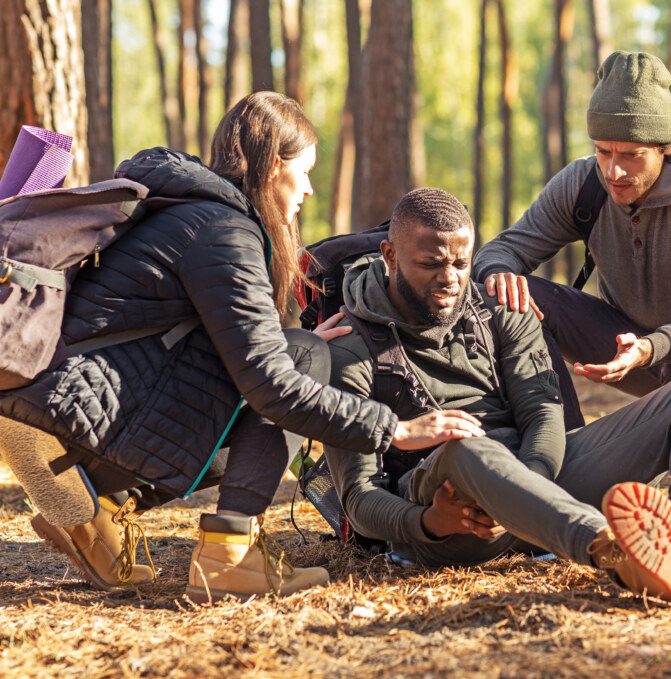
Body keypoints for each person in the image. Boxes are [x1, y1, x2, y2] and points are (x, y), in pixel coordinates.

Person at [0, 93, 473, 602]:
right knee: (306, 363)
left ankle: (103, 505)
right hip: (85, 404)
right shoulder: (224, 230)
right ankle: (228, 553)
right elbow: (270, 385)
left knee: (299, 351)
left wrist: (289, 345)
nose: (310, 190)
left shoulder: (189, 209)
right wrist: (394, 429)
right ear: (273, 166)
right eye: (305, 171)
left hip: (68, 390)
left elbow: (199, 341)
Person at [324, 188, 671, 606]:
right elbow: (359, 497)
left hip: (540, 480)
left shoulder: (499, 308)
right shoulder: (351, 348)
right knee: (465, 444)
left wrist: (527, 485)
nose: (450, 279)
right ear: (389, 254)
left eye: (461, 264)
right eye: (431, 264)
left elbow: (544, 413)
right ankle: (613, 550)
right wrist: (426, 524)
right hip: (453, 515)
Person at [473, 51, 671, 527]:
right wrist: (498, 273)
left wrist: (652, 348)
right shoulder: (583, 183)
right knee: (514, 294)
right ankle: (563, 452)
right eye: (603, 151)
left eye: (631, 155)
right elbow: (502, 249)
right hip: (621, 337)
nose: (613, 171)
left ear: (664, 148)